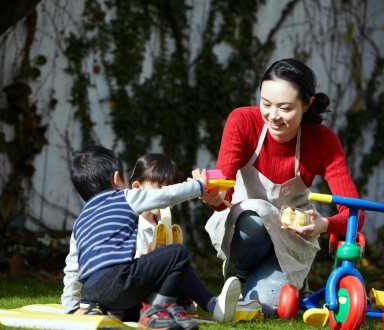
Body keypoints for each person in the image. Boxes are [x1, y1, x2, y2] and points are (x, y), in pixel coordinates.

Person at [201, 59, 365, 317]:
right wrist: (214, 197)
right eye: (266, 104)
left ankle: (255, 293)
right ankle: (241, 277)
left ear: (307, 104)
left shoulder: (323, 141)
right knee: (254, 218)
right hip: (248, 230)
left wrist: (323, 226)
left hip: (291, 238)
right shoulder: (243, 122)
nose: (272, 116)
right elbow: (224, 195)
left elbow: (355, 212)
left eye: (285, 108)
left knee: (269, 307)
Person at [61, 150, 244, 324]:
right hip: (120, 281)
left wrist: (71, 307)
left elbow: (72, 269)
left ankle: (106, 310)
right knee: (178, 253)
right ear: (116, 179)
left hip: (94, 291)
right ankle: (163, 309)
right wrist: (198, 186)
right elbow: (166, 195)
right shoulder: (125, 197)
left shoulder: (80, 220)